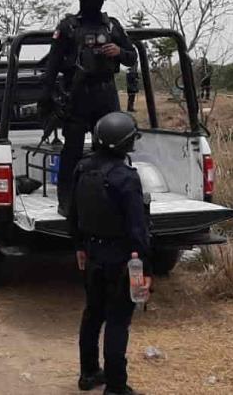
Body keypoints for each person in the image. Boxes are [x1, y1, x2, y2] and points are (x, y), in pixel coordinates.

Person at [69, 112, 151, 395]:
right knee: (118, 321)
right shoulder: (126, 178)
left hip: (92, 253)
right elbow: (138, 229)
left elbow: (73, 213)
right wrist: (144, 268)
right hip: (121, 259)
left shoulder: (82, 168)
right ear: (125, 144)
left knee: (93, 314)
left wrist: (79, 246)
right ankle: (116, 386)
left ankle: (89, 373)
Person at [39, 0, 137, 214]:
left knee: (109, 151)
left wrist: (118, 51)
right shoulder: (68, 27)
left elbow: (132, 57)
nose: (90, 2)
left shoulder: (112, 26)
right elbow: (52, 65)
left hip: (105, 95)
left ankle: (107, 200)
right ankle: (67, 202)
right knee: (71, 151)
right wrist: (46, 97)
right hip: (77, 94)